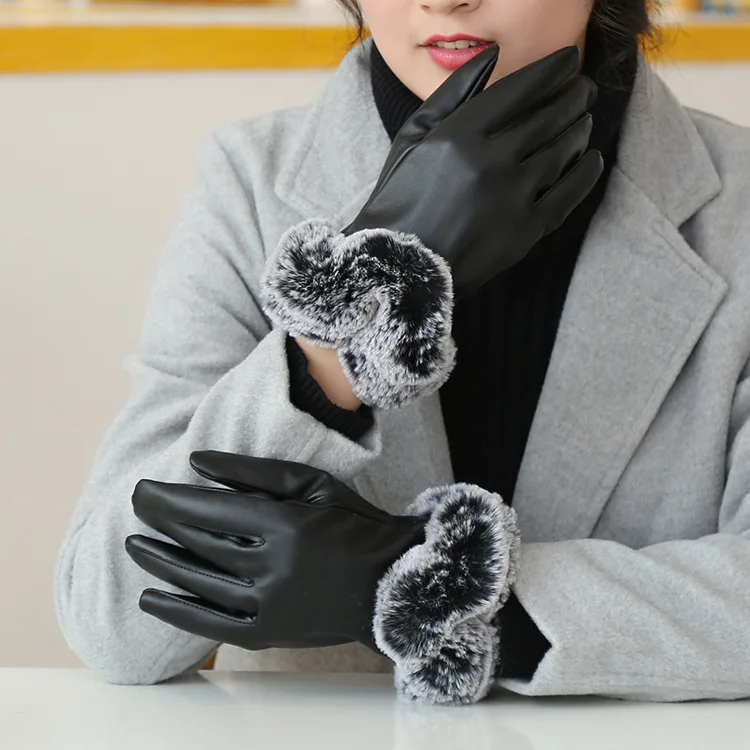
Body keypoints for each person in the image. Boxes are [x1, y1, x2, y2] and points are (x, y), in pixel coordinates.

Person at [54, 0, 750, 706]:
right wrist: (355, 307)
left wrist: (410, 589)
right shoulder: (249, 181)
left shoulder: (740, 205)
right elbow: (112, 622)